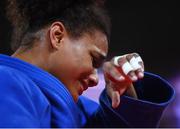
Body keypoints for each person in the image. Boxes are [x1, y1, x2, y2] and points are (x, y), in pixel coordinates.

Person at [0, 0, 174, 127]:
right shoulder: (5, 80)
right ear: (57, 36)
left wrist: (125, 92)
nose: (95, 79)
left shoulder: (80, 109)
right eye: (93, 60)